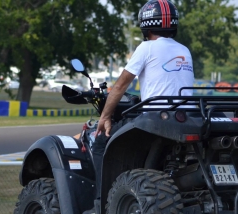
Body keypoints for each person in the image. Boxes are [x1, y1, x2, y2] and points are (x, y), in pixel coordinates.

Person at [84, 0, 194, 213]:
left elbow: (119, 87)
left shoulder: (146, 47)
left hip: (156, 116)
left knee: (100, 144)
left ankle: (102, 203)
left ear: (146, 26)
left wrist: (105, 117)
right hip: (186, 116)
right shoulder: (184, 50)